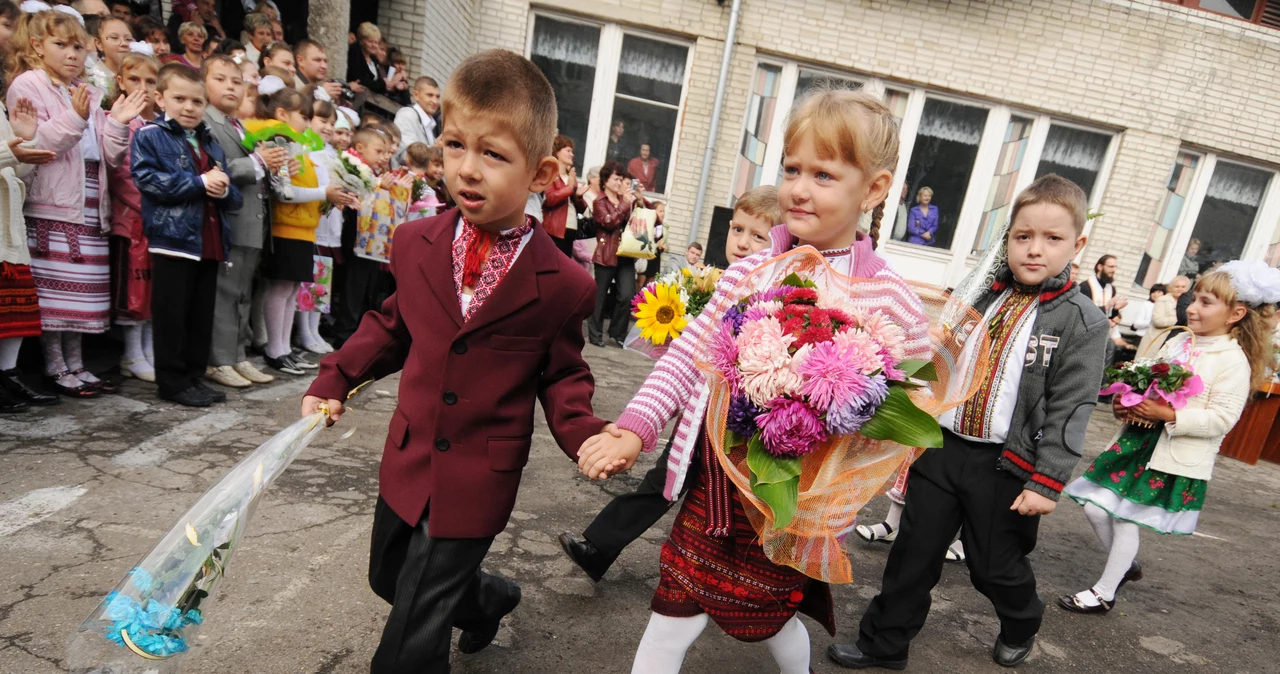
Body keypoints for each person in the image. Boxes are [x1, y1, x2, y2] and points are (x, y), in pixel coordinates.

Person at [575, 88, 930, 674]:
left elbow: (914, 393)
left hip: (793, 497)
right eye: (792, 168)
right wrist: (636, 427)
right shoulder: (751, 270)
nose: (798, 187)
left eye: (823, 173)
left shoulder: (888, 296)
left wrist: (865, 454)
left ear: (873, 189)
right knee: (674, 606)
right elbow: (689, 355)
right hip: (718, 479)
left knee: (768, 613)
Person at [300, 49, 607, 674]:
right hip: (410, 455)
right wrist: (337, 376)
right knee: (390, 578)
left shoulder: (564, 282)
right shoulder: (416, 243)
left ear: (542, 173)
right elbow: (392, 326)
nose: (467, 169)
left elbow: (564, 373)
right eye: (455, 146)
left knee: (411, 634)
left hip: (478, 473)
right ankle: (488, 597)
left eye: (494, 155)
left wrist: (587, 436)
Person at [827, 175, 1110, 670]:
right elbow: (939, 356)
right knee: (914, 553)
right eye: (1023, 237)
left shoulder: (1081, 321)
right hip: (945, 448)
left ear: (1077, 244)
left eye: (1052, 239)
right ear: (1007, 240)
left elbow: (1072, 405)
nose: (1035, 250)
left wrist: (1048, 480)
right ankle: (883, 644)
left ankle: (1022, 618)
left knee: (992, 566)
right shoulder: (980, 296)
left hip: (1006, 466)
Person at [558, 184, 780, 582]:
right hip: (696, 422)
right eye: (737, 229)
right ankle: (598, 548)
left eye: (758, 235)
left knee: (717, 506)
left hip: (733, 433)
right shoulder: (723, 280)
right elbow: (691, 353)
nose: (743, 243)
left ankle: (733, 581)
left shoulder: (768, 292)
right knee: (660, 485)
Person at [1059, 262, 1278, 614]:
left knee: (1125, 518)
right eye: (1195, 298)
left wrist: (1169, 415)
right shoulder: (1178, 342)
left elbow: (1223, 418)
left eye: (1206, 303)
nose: (1192, 307)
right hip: (1137, 441)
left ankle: (1104, 592)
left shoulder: (1232, 361)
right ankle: (1124, 565)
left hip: (1169, 454)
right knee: (1095, 508)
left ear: (1236, 313)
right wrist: (1125, 403)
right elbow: (1143, 382)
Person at [9, 8, 137, 398]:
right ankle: (54, 367)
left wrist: (116, 123)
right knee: (56, 295)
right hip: (52, 201)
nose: (72, 54)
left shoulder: (86, 89)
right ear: (36, 46)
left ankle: (77, 365)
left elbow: (109, 155)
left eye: (79, 47)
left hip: (89, 200)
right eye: (60, 45)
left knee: (80, 294)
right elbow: (36, 146)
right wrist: (76, 117)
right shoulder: (28, 84)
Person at [132, 63, 243, 406]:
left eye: (196, 101)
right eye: (179, 98)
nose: (189, 107)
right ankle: (172, 381)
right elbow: (147, 181)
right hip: (174, 241)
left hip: (208, 241)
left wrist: (223, 189)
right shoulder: (150, 135)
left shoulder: (209, 141)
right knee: (172, 315)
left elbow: (234, 197)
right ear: (160, 97)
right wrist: (199, 182)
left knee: (199, 315)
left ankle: (194, 376)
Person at [244, 79, 356, 376]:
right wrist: (325, 194)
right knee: (281, 288)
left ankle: (284, 347)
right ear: (282, 114)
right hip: (286, 227)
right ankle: (275, 349)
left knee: (292, 290)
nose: (308, 123)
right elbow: (285, 192)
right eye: (304, 116)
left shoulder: (300, 145)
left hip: (303, 227)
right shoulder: (278, 140)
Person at [202, 54, 283, 388]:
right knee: (225, 292)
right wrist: (258, 162)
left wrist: (270, 165)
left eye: (237, 81)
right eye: (220, 79)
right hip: (229, 219)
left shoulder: (237, 125)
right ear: (203, 82)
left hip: (253, 220)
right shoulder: (207, 122)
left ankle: (237, 355)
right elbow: (216, 169)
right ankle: (218, 359)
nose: (230, 87)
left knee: (242, 293)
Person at [0, 0, 60, 412]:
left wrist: (22, 147)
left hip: (7, 216)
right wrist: (13, 150)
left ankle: (8, 377)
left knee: (12, 306)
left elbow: (14, 167)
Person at [105, 51, 158, 384]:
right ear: (120, 82)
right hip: (132, 220)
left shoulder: (156, 124)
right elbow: (123, 175)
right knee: (134, 292)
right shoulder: (120, 119)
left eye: (150, 81)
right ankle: (131, 353)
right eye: (135, 79)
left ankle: (151, 351)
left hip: (156, 223)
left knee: (153, 292)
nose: (143, 87)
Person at [330, 125, 392, 345]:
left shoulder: (372, 171)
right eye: (379, 151)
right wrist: (378, 186)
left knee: (367, 284)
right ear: (360, 148)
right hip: (353, 233)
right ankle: (344, 332)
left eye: (386, 153)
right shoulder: (350, 165)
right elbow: (354, 193)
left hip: (372, 237)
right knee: (353, 284)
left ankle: (359, 330)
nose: (384, 157)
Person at [295, 98, 343, 354]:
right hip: (310, 222)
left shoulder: (332, 154)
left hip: (329, 223)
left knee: (322, 279)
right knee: (309, 281)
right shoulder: (304, 149)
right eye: (323, 120)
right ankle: (303, 330)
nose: (328, 127)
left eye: (332, 123)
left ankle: (314, 329)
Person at [587, 161, 644, 348]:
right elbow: (608, 222)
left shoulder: (624, 200)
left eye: (621, 179)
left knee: (627, 294)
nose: (620, 183)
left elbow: (636, 221)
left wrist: (638, 200)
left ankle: (617, 333)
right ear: (606, 180)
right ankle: (595, 334)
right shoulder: (599, 201)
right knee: (600, 296)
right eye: (616, 179)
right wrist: (624, 205)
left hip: (625, 253)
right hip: (606, 252)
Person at [541, 134, 577, 258]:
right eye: (568, 151)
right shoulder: (550, 174)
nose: (571, 154)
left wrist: (579, 196)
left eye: (572, 151)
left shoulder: (571, 176)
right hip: (555, 230)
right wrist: (569, 188)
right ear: (557, 152)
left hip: (571, 228)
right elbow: (549, 199)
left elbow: (579, 207)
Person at [392, 76, 439, 158]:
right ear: (416, 95)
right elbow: (406, 154)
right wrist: (435, 148)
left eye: (437, 97)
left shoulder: (431, 122)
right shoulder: (406, 115)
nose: (435, 101)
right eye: (430, 95)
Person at [1137, 283, 1177, 355]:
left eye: (1159, 292)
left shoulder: (1168, 305)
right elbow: (1137, 323)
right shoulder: (1147, 304)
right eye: (1153, 292)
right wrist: (1153, 322)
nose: (1155, 294)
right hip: (1141, 336)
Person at [346, 22, 384, 95]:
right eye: (370, 41)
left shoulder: (374, 59)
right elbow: (359, 79)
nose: (374, 45)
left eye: (376, 42)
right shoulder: (354, 52)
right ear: (361, 41)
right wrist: (381, 85)